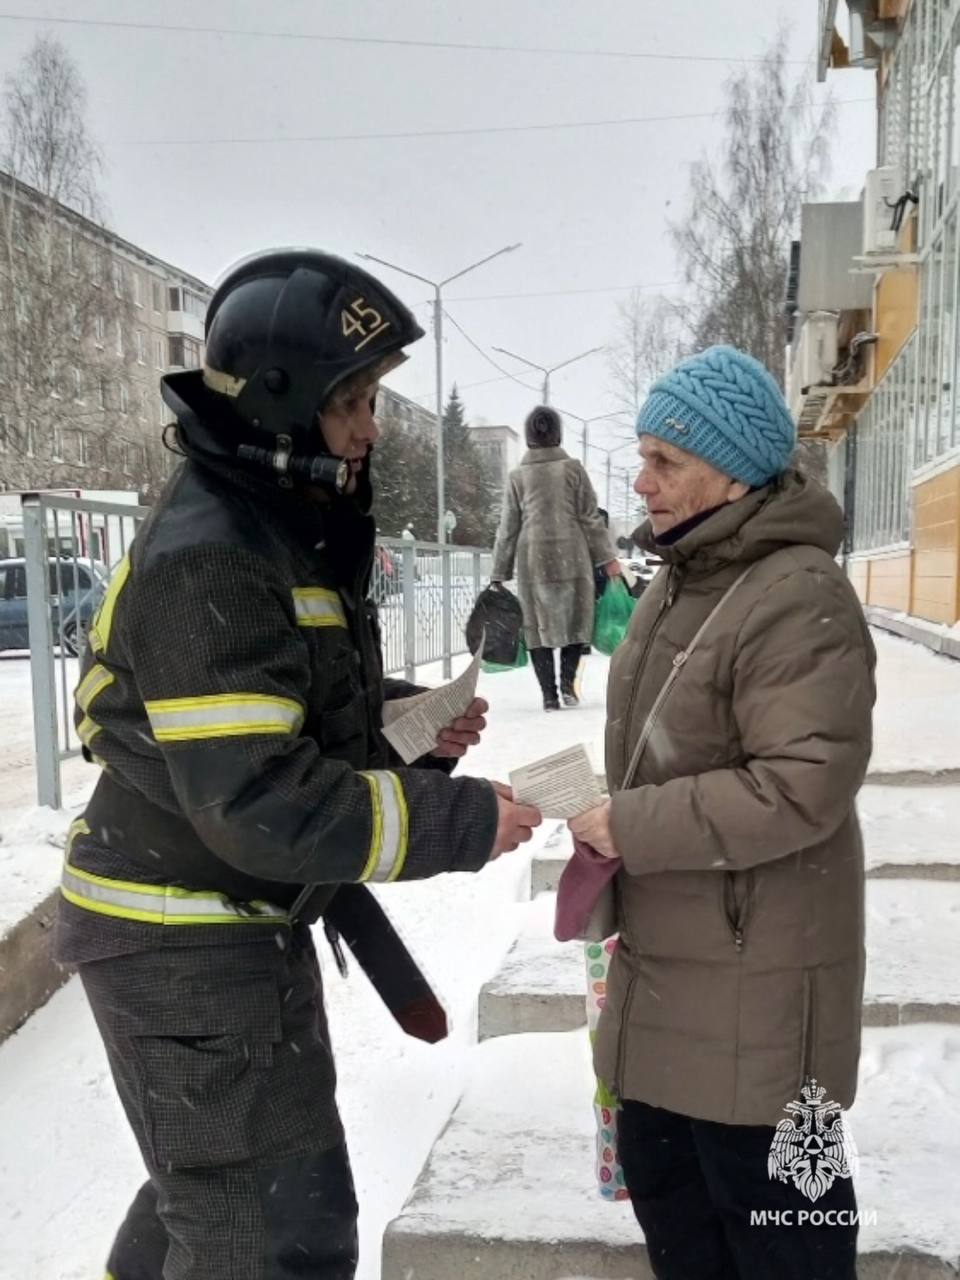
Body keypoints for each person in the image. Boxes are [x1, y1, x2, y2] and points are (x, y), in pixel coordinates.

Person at [56, 248, 541, 1280]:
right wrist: (460, 820)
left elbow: (283, 708)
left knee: (227, 1204)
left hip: (224, 924)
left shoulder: (274, 524)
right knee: (268, 1237)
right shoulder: (216, 555)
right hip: (180, 938)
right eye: (351, 403)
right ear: (280, 408)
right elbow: (257, 796)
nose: (371, 428)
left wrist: (405, 725)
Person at [569, 345, 876, 1280]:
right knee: (682, 1232)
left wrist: (632, 825)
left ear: (733, 473)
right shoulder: (681, 577)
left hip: (766, 992)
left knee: (791, 1245)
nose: (641, 481)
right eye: (643, 456)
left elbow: (802, 784)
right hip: (669, 976)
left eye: (665, 460)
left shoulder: (798, 592)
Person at [490, 405, 620, 710]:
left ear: (529, 436)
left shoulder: (518, 477)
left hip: (533, 557)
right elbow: (590, 517)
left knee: (537, 626)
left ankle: (549, 695)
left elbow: (508, 527)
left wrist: (499, 571)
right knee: (577, 621)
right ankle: (567, 686)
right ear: (558, 434)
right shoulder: (573, 469)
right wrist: (607, 558)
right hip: (572, 554)